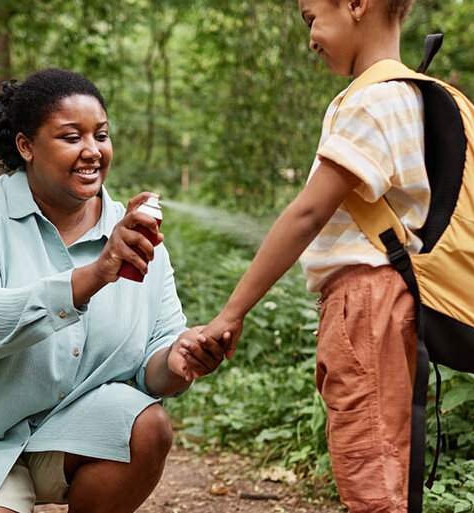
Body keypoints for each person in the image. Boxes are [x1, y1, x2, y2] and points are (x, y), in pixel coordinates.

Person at [0, 68, 228, 513]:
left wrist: (179, 358)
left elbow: (154, 364)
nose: (93, 151)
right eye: (72, 137)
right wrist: (94, 274)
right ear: (25, 146)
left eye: (101, 135)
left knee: (146, 425)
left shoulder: (137, 234)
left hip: (66, 433)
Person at [191, 0, 424, 511]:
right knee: (386, 460)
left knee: (370, 470)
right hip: (389, 299)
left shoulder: (371, 102)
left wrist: (232, 312)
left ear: (357, 5)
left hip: (365, 301)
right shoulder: (410, 93)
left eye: (310, 18)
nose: (310, 38)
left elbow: (306, 216)